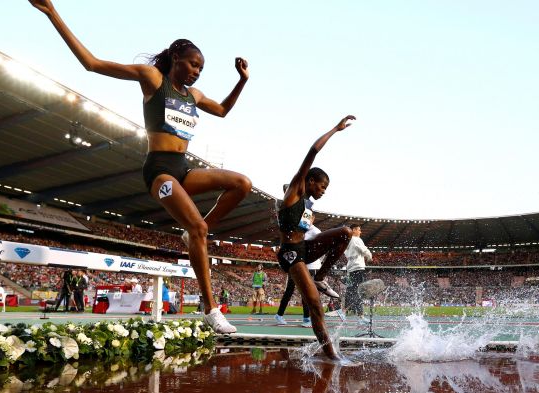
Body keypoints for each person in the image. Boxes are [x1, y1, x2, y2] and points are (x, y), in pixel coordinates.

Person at [30, 0, 251, 333]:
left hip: (184, 170)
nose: (196, 72)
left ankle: (197, 228)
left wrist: (242, 80)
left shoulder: (194, 96)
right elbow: (92, 64)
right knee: (200, 232)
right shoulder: (152, 78)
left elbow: (221, 110)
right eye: (192, 64)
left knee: (242, 184)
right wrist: (52, 14)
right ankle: (210, 310)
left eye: (200, 69)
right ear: (176, 58)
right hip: (159, 170)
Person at [276, 115, 356, 361]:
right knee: (315, 305)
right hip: (290, 253)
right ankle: (331, 356)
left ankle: (321, 277)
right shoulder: (294, 191)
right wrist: (335, 129)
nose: (322, 192)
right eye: (321, 187)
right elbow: (312, 152)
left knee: (345, 232)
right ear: (310, 181)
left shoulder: (308, 205)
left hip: (304, 248)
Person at [275, 212, 339, 327]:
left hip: (311, 267)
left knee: (308, 291)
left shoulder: (316, 231)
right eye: (304, 216)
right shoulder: (298, 230)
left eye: (309, 217)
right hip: (296, 265)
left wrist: (316, 260)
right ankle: (279, 315)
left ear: (313, 218)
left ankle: (307, 318)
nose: (306, 219)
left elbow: (323, 249)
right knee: (289, 291)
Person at [343, 224, 373, 324]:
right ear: (354, 230)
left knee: (350, 290)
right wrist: (370, 257)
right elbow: (364, 250)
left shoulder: (347, 241)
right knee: (359, 291)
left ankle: (344, 311)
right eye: (359, 230)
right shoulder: (356, 239)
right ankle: (360, 316)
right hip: (358, 268)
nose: (360, 232)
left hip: (350, 268)